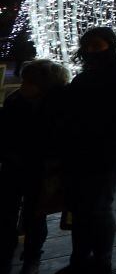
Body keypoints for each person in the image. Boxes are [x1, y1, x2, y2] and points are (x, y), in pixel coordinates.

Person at [57, 27, 116, 273]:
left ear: (110, 45)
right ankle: (80, 259)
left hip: (108, 149)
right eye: (88, 46)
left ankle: (101, 260)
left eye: (97, 45)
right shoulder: (86, 76)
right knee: (81, 206)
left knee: (98, 205)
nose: (91, 51)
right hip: (81, 149)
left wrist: (102, 130)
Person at [1, 60, 69, 274]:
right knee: (8, 212)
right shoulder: (17, 102)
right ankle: (9, 253)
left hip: (40, 168)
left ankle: (31, 257)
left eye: (29, 82)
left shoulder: (58, 107)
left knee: (34, 214)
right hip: (17, 164)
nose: (24, 86)